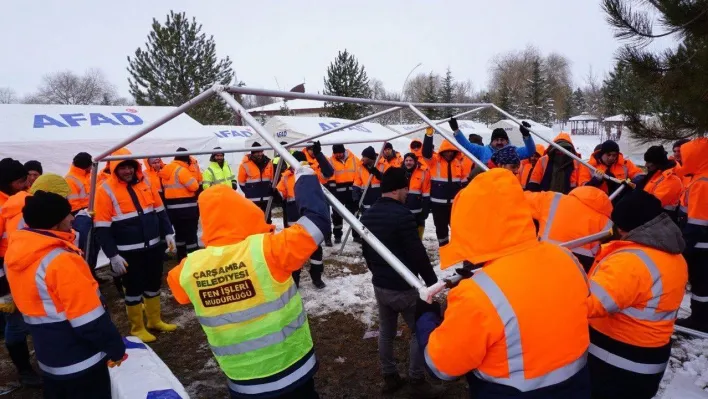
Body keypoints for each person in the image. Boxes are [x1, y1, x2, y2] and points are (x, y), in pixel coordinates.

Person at [416, 168, 590, 398]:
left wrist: (426, 318)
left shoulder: (478, 294)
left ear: (469, 226)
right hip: (578, 386)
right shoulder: (565, 257)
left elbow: (441, 366)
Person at [166, 165, 331, 399]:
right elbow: (317, 223)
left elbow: (178, 292)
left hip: (243, 380)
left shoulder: (188, 269)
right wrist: (305, 181)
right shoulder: (267, 250)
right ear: (244, 212)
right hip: (292, 368)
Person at [4, 191, 127, 399]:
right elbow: (90, 321)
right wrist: (115, 348)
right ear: (54, 222)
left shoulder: (16, 254)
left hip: (49, 358)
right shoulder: (62, 261)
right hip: (81, 361)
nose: (72, 218)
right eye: (68, 214)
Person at [587, 190, 687, 398]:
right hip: (650, 359)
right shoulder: (673, 256)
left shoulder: (630, 262)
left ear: (626, 226)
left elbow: (589, 304)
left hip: (616, 360)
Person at [360, 167, 442, 397]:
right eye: (406, 187)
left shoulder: (368, 215)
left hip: (381, 285)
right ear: (397, 189)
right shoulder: (403, 215)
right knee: (419, 330)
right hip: (404, 288)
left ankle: (390, 377)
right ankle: (417, 379)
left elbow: (366, 251)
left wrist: (377, 272)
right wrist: (431, 283)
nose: (408, 192)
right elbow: (417, 253)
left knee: (386, 332)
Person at [94, 148, 177, 343]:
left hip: (153, 247)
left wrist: (168, 232)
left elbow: (159, 210)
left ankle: (154, 321)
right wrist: (112, 255)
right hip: (128, 252)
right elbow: (102, 228)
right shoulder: (105, 190)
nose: (127, 171)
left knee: (154, 283)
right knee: (133, 289)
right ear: (114, 169)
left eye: (129, 166)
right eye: (122, 167)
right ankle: (137, 328)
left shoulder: (146, 182)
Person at [0, 158, 41, 388]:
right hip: (8, 272)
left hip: (30, 265)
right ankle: (24, 369)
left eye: (26, 178)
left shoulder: (25, 198)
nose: (26, 183)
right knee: (15, 322)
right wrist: (3, 287)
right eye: (20, 181)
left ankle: (42, 355)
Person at [277, 150, 333, 288]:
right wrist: (273, 194)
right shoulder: (286, 177)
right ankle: (295, 280)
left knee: (315, 249)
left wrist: (319, 154)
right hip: (294, 220)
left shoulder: (312, 174)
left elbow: (328, 173)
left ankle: (316, 277)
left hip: (311, 219)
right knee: (295, 252)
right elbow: (280, 195)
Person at [525, 186, 613, 271]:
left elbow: (522, 198)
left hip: (544, 256)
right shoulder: (607, 223)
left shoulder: (552, 199)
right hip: (579, 268)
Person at [675, 138, 708, 332]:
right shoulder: (699, 176)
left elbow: (697, 224)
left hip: (701, 245)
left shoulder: (701, 183)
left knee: (701, 283)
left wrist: (683, 247)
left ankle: (700, 320)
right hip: (701, 242)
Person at [422, 129, 472, 247]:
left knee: (457, 228)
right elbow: (426, 153)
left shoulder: (459, 163)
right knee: (441, 229)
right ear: (442, 151)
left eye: (451, 151)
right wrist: (429, 136)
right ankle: (444, 249)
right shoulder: (434, 161)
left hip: (455, 204)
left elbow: (464, 183)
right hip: (438, 204)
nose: (449, 154)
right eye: (446, 151)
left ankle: (457, 250)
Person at [65, 152, 105, 280]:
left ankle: (92, 273)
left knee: (94, 246)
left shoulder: (86, 176)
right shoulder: (70, 180)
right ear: (86, 166)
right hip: (81, 219)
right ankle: (87, 276)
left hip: (91, 216)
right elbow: (74, 205)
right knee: (86, 249)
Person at [160, 148, 200, 261]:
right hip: (187, 209)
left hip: (173, 210)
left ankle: (181, 258)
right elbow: (194, 186)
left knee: (180, 235)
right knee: (191, 235)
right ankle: (194, 259)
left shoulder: (166, 170)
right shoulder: (181, 170)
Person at [449, 117, 537, 164]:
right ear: (491, 141)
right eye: (496, 140)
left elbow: (530, 151)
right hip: (487, 187)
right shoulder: (483, 150)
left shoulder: (513, 151)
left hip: (506, 187)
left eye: (502, 140)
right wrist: (456, 130)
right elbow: (467, 146)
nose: (499, 142)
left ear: (507, 141)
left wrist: (526, 136)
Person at [579, 140, 644, 195]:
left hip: (620, 200)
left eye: (614, 155)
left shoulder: (625, 164)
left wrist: (631, 183)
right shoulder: (588, 166)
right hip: (597, 202)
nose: (611, 158)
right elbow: (582, 190)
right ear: (602, 154)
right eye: (608, 154)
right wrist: (595, 180)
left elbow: (640, 175)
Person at [637, 145, 683, 216]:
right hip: (653, 217)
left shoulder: (671, 180)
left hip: (662, 220)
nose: (646, 165)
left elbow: (653, 204)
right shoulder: (657, 174)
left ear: (657, 163)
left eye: (649, 162)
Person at [329, 144, 359, 244]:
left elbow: (359, 172)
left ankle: (357, 235)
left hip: (352, 192)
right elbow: (330, 176)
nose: (338, 155)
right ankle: (337, 236)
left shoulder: (354, 159)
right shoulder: (330, 161)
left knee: (354, 215)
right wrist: (332, 191)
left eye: (339, 153)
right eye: (336, 153)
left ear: (343, 151)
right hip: (338, 193)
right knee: (337, 215)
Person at [238, 142, 274, 222]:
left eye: (261, 151)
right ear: (252, 153)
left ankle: (268, 234)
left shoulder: (268, 162)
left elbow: (272, 178)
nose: (260, 154)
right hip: (252, 199)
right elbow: (241, 182)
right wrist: (249, 191)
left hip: (266, 197)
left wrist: (270, 188)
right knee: (253, 221)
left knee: (267, 221)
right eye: (257, 152)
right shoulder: (244, 164)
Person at [403, 153, 430, 239]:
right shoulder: (400, 172)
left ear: (415, 161)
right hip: (403, 210)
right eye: (406, 160)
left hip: (418, 211)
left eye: (410, 160)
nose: (408, 162)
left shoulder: (423, 172)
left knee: (418, 233)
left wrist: (425, 209)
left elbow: (426, 192)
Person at [353, 146, 386, 216]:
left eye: (364, 156)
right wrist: (355, 199)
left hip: (380, 201)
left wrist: (378, 174)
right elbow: (356, 185)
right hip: (366, 201)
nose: (362, 159)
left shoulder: (383, 165)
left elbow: (388, 180)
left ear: (370, 158)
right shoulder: (360, 168)